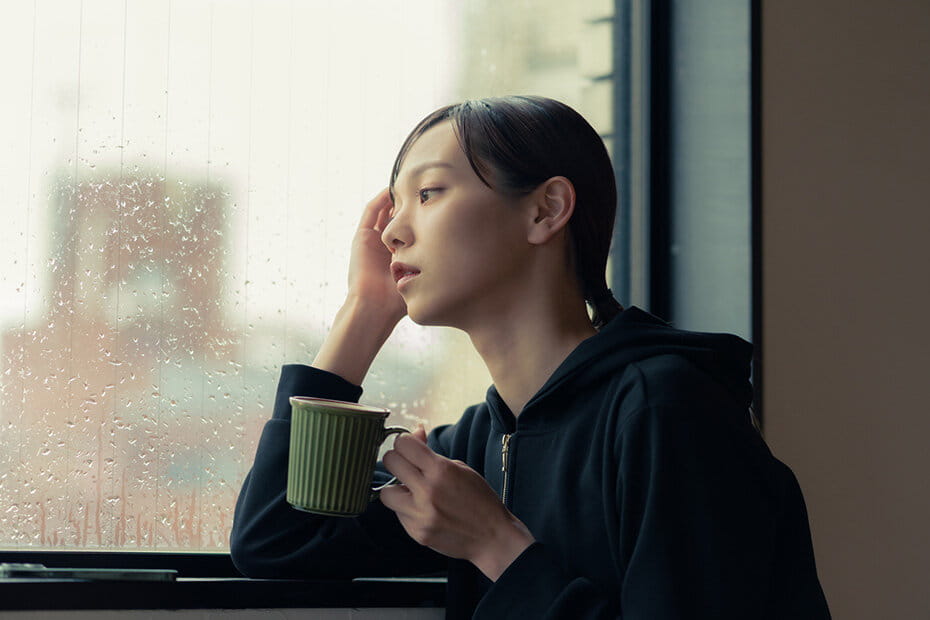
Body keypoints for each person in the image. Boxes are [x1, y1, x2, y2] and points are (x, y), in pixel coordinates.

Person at [230, 95, 831, 619]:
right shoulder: (476, 446)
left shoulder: (666, 410)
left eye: (429, 192)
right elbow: (276, 541)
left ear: (546, 210)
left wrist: (496, 545)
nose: (392, 232)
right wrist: (363, 314)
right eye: (395, 206)